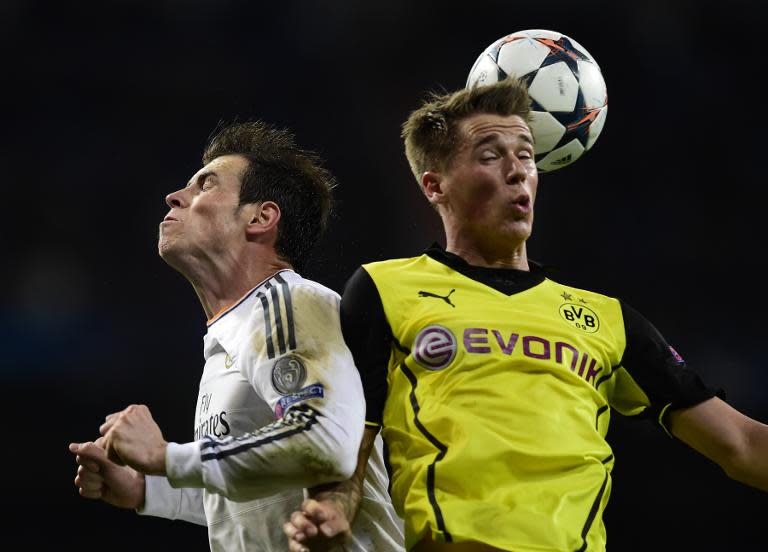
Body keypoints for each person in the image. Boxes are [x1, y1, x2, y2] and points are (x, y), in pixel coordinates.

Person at [284, 79, 768, 552]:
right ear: (435, 185)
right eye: (491, 155)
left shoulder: (609, 320)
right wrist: (331, 509)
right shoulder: (384, 289)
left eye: (527, 155)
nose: (518, 171)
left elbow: (741, 445)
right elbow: (347, 446)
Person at [68, 121, 404, 551]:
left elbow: (326, 442)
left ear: (260, 218)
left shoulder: (288, 302)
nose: (176, 196)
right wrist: (148, 489)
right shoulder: (234, 333)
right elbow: (266, 487)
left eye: (205, 185)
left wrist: (167, 457)